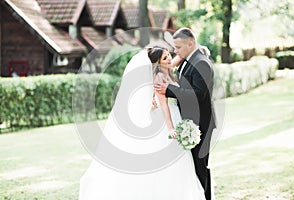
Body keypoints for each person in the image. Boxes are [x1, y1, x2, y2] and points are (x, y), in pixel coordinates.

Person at [79, 46, 206, 200]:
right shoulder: (160, 77)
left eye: (168, 55)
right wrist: (171, 128)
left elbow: (176, 60)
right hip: (168, 118)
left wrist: (197, 50)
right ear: (157, 64)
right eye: (165, 58)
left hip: (175, 115)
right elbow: (164, 104)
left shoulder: (167, 71)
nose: (170, 59)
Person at [155, 28, 216, 200]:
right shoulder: (188, 59)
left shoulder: (201, 62)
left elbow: (198, 94)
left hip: (201, 124)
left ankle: (205, 197)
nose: (176, 51)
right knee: (195, 166)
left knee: (200, 165)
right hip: (190, 122)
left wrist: (169, 89)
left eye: (179, 47)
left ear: (190, 43)